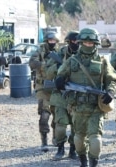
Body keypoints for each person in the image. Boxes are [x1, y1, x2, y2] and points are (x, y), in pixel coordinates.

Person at [55, 28, 116, 166]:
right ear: (81, 42)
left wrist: (111, 92)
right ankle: (83, 161)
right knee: (78, 138)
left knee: (95, 138)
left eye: (91, 43)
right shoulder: (72, 61)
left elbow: (111, 79)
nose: (88, 45)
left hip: (96, 107)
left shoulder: (103, 61)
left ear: (96, 44)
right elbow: (61, 74)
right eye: (86, 43)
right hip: (77, 107)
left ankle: (93, 163)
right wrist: (59, 80)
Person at [46, 31, 80, 160]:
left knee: (76, 126)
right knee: (60, 125)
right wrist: (59, 68)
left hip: (77, 95)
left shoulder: (83, 56)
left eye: (78, 42)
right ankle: (60, 149)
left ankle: (73, 149)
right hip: (60, 95)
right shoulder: (60, 54)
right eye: (73, 41)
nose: (75, 44)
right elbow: (48, 73)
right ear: (68, 41)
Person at [29, 31, 59, 152]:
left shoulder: (60, 51)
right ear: (46, 41)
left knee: (58, 115)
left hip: (56, 87)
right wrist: (47, 65)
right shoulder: (40, 51)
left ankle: (56, 137)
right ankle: (44, 140)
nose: (52, 43)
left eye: (54, 41)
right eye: (50, 41)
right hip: (42, 87)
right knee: (44, 114)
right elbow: (32, 63)